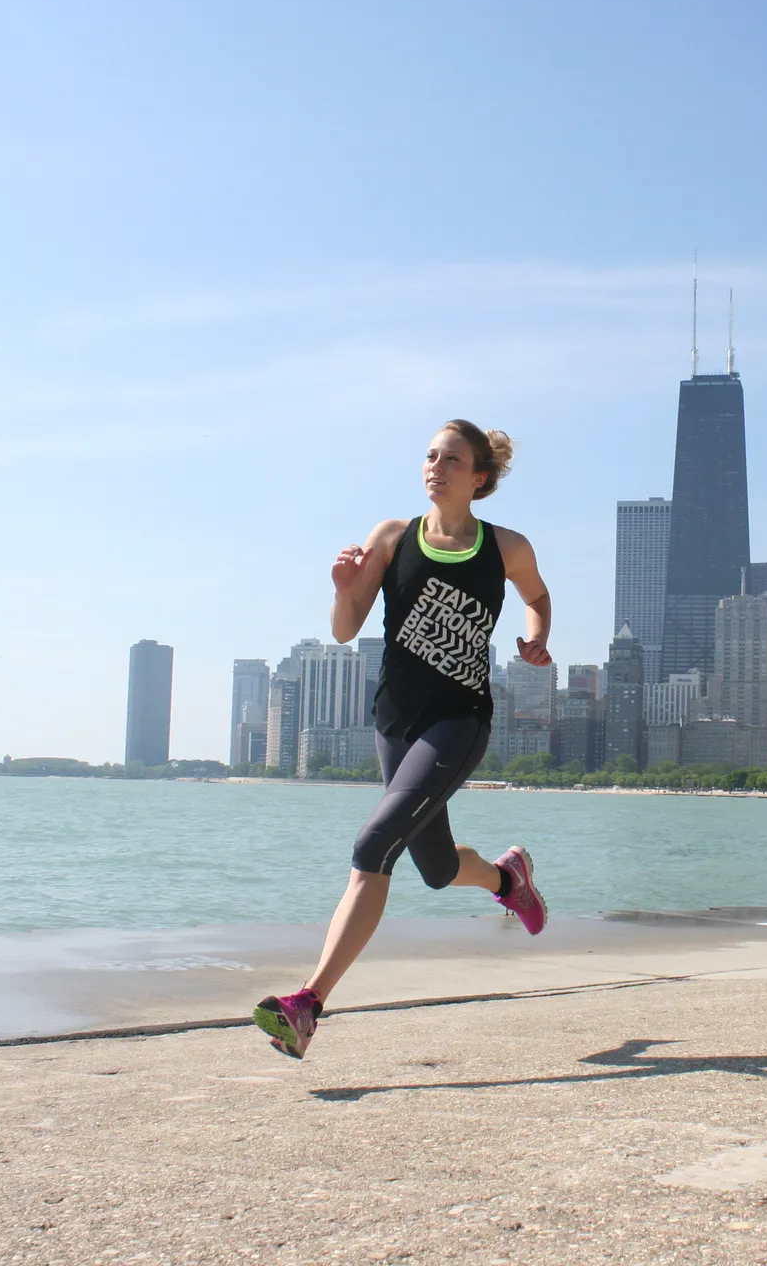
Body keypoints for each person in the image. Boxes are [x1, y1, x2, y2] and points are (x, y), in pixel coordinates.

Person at [251, 420, 553, 1061]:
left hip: (458, 722)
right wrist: (341, 590)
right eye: (429, 456)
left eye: (452, 459)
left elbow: (538, 595)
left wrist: (535, 637)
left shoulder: (506, 547)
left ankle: (307, 1004)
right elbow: (343, 630)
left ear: (478, 478)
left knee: (373, 845)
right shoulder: (392, 537)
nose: (435, 466)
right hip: (394, 723)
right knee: (438, 870)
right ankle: (507, 879)